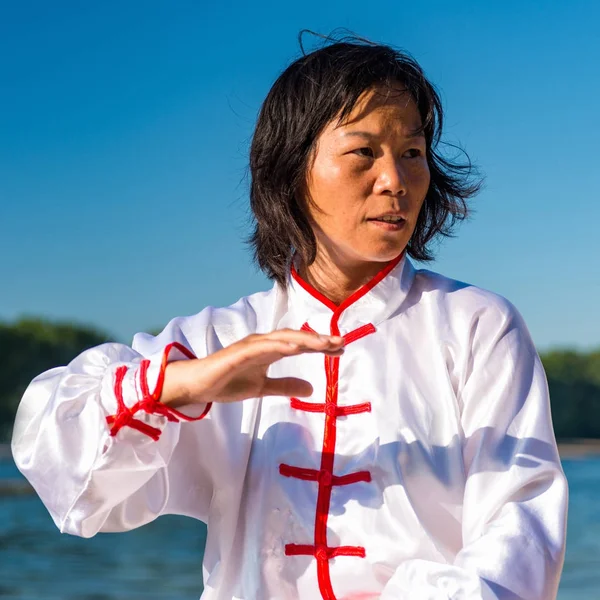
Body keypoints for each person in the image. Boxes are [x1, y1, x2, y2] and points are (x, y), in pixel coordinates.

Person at [11, 34, 567, 600]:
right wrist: (178, 386)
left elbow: (520, 526)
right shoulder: (218, 340)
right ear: (292, 168)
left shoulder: (476, 326)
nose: (395, 180)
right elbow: (65, 468)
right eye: (363, 153)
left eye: (412, 152)